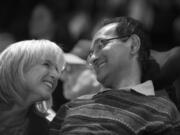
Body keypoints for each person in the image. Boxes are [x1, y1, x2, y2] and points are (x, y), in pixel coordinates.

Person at [49, 17, 180, 135]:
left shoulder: (161, 110)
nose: (93, 58)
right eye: (90, 53)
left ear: (133, 45)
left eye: (101, 44)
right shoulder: (71, 107)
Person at [0, 39, 65, 135]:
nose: (56, 75)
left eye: (57, 69)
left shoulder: (51, 126)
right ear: (17, 66)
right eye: (46, 64)